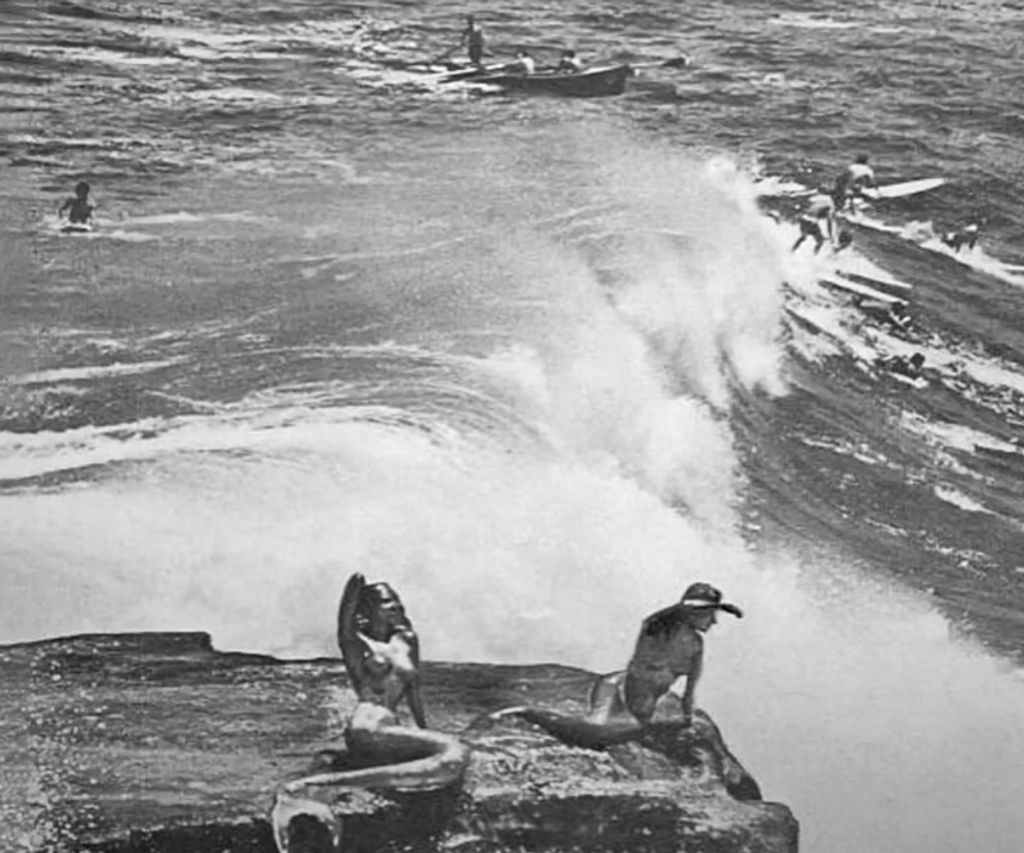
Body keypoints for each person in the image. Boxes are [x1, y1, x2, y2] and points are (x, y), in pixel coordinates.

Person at [588, 582, 743, 727]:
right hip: (616, 690)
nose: (714, 621)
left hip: (644, 702)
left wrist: (687, 719)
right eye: (710, 614)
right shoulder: (656, 629)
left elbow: (689, 692)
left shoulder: (696, 645)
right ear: (693, 613)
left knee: (640, 714)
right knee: (603, 720)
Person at [792, 187, 836, 254]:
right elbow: (828, 221)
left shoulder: (819, 197)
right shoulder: (830, 204)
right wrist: (830, 236)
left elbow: (805, 205)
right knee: (820, 241)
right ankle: (814, 256)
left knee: (804, 237)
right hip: (810, 222)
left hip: (805, 220)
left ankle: (792, 250)